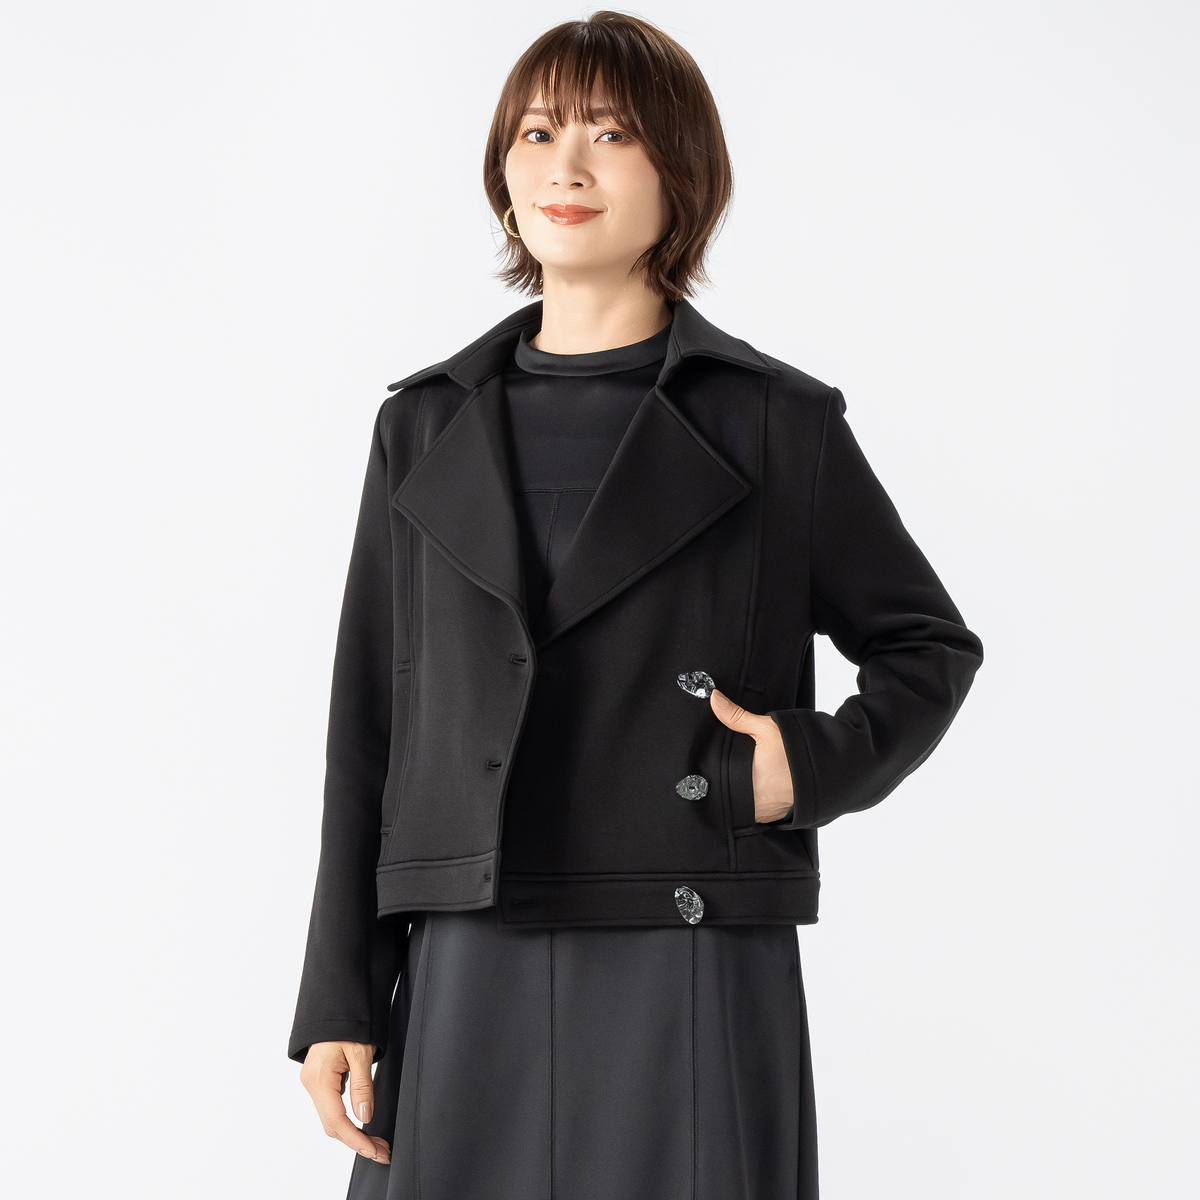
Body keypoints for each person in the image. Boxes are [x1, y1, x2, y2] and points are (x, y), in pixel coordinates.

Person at [288, 12, 983, 1199]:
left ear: (681, 173)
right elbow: (371, 723)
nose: (566, 166)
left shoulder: (775, 422)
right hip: (467, 938)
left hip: (690, 934)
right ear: (502, 170)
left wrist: (805, 769)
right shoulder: (423, 425)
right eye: (537, 133)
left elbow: (927, 645)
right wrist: (338, 995)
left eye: (611, 135)